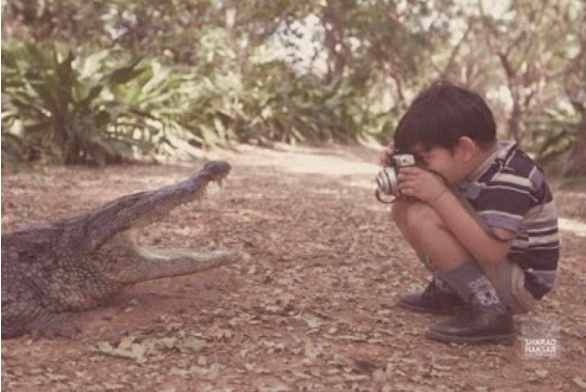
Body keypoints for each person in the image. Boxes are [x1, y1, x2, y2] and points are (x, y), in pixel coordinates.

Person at [385, 80, 559, 345]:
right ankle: (454, 291)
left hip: (520, 283)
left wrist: (437, 193)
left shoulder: (512, 176)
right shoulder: (472, 164)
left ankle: (491, 311)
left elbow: (491, 252)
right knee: (403, 208)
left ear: (465, 149)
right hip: (499, 267)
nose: (423, 166)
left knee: (423, 216)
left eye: (424, 157)